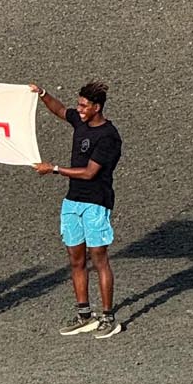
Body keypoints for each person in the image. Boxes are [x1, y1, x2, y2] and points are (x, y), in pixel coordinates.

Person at [31, 79, 123, 338]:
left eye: (84, 106)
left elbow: (89, 173)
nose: (79, 109)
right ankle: (84, 314)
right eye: (79, 104)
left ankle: (108, 317)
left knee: (99, 258)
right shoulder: (81, 122)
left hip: (96, 203)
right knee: (76, 259)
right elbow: (61, 111)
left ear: (97, 107)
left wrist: (55, 169)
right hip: (72, 202)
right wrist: (43, 94)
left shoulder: (108, 137)